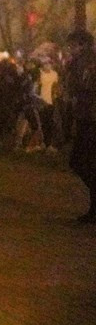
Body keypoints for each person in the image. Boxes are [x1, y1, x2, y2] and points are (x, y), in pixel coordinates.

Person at [65, 29, 96, 223]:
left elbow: (82, 86)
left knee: (80, 161)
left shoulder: (85, 63)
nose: (70, 49)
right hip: (88, 116)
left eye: (72, 45)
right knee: (85, 162)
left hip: (90, 117)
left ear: (81, 45)